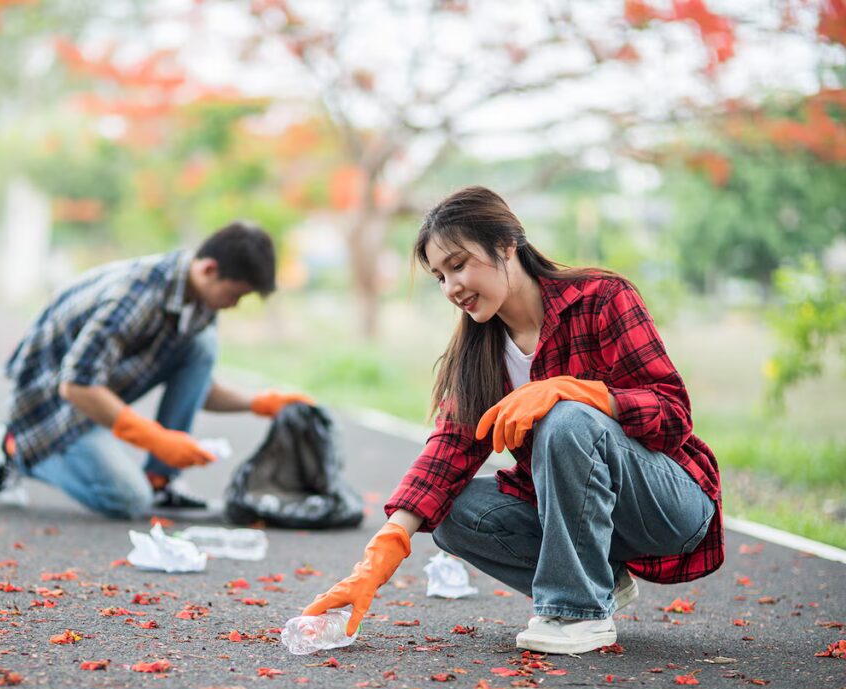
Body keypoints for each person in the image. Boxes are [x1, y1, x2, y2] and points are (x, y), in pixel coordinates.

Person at [304, 187, 722, 655]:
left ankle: (578, 611)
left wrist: (575, 391)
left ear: (506, 245)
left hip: (666, 502)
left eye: (458, 264)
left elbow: (673, 413)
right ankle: (600, 581)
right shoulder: (479, 351)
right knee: (449, 512)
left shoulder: (601, 297)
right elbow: (447, 454)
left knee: (565, 419)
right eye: (439, 276)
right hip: (584, 517)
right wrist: (380, 555)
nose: (451, 288)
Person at [0, 221, 312, 519]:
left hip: (96, 388)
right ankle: (13, 448)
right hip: (50, 408)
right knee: (127, 501)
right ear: (210, 269)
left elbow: (197, 387)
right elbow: (75, 386)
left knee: (202, 345)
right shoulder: (137, 296)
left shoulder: (196, 297)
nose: (235, 305)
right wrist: (157, 439)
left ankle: (159, 481)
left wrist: (258, 404)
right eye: (235, 295)